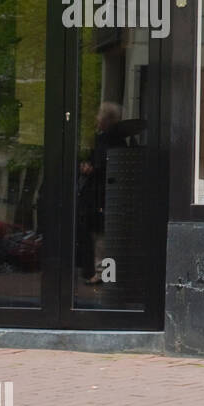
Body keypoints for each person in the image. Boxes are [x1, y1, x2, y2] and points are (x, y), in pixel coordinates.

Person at [75, 102, 128, 284]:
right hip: (103, 197)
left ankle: (104, 276)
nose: (96, 119)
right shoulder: (111, 141)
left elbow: (104, 167)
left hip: (103, 198)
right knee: (102, 238)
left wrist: (91, 169)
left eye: (99, 115)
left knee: (103, 239)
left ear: (107, 120)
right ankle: (104, 275)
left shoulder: (107, 142)